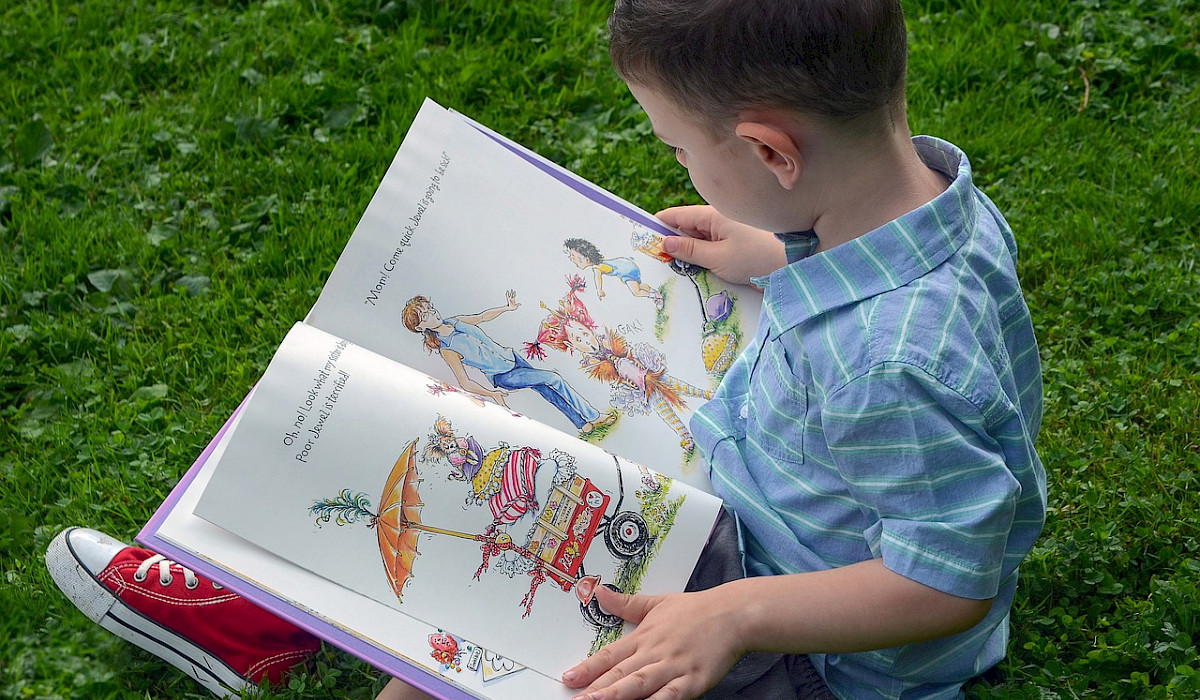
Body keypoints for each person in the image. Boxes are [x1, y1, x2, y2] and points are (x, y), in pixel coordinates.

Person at [45, 1, 1046, 699]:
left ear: (770, 152)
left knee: (479, 627)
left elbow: (943, 578)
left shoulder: (888, 361)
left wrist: (734, 617)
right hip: (767, 511)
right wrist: (771, 252)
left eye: (676, 144)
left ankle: (257, 627)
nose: (675, 160)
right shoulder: (931, 206)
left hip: (812, 649)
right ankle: (263, 594)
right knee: (453, 434)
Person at [400, 290, 616, 435]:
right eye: (426, 316)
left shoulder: (455, 321)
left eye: (430, 310)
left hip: (512, 358)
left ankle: (582, 424)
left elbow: (482, 317)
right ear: (421, 328)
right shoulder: (446, 349)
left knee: (546, 389)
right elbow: (464, 382)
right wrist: (492, 394)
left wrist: (507, 308)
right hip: (504, 375)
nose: (433, 314)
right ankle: (594, 416)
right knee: (554, 378)